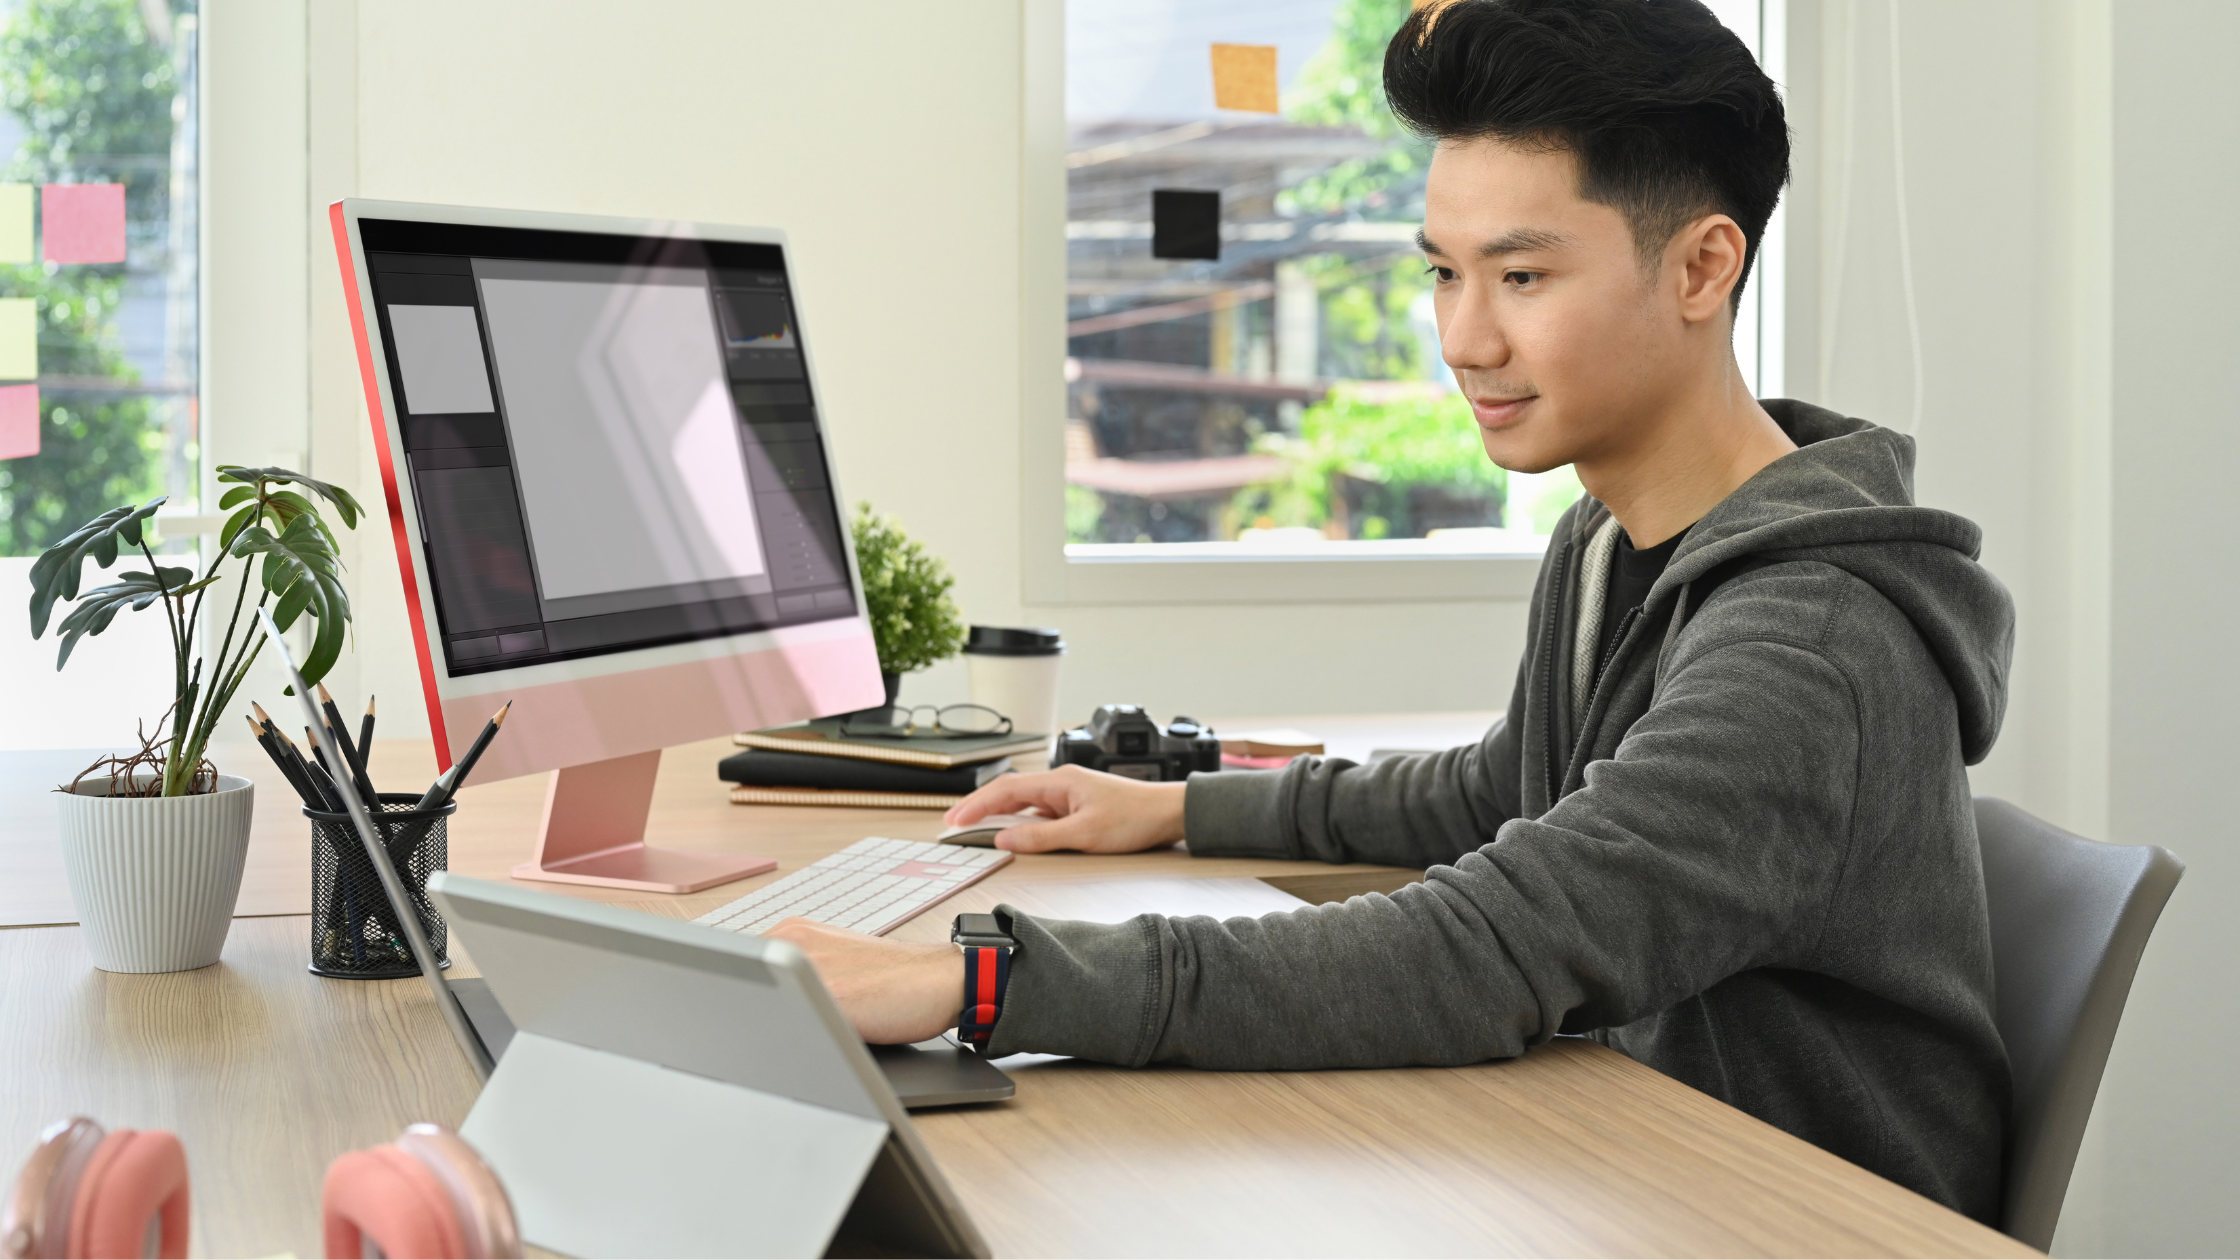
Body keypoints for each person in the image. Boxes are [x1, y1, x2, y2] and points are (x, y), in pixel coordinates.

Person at [771, 0, 2015, 1222]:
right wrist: (1173, 807)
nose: (1464, 339)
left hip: (1789, 1216)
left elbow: (1482, 947)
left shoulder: (1810, 642)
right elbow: (1499, 798)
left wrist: (976, 978)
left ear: (1701, 266)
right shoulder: (1606, 536)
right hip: (1631, 1161)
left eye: (1521, 275)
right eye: (1441, 273)